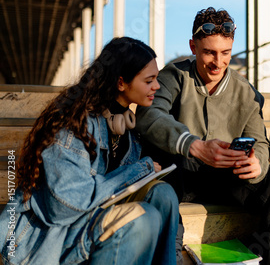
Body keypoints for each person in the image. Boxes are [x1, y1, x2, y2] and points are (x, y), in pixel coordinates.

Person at [135, 7, 270, 265]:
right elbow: (149, 115)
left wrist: (256, 164)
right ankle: (171, 254)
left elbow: (259, 141)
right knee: (161, 167)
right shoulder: (173, 75)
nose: (218, 61)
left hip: (226, 177)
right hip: (181, 171)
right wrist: (194, 146)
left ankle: (269, 260)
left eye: (225, 53)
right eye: (209, 52)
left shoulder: (246, 91)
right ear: (193, 46)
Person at [0, 37, 179, 265]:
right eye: (149, 80)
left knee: (163, 194)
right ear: (121, 83)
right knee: (143, 218)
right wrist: (134, 172)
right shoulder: (74, 125)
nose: (157, 86)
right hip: (47, 242)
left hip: (87, 228)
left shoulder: (128, 133)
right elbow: (64, 206)